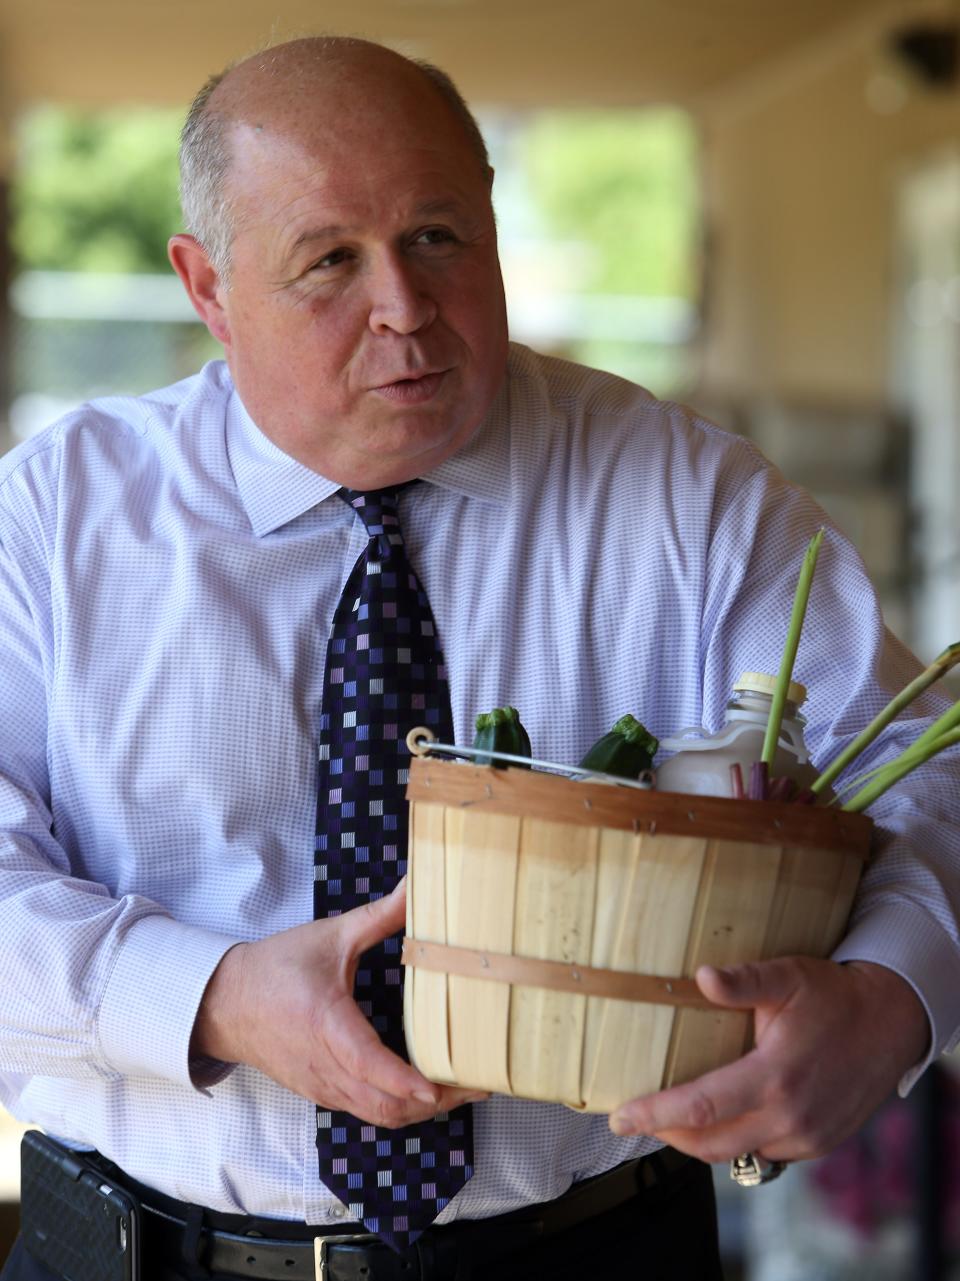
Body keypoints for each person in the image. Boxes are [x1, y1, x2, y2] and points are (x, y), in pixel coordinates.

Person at [0, 34, 958, 1281]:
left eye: (439, 238)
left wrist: (889, 1000)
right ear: (207, 287)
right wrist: (212, 995)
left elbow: (920, 776)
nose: (404, 306)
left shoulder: (691, 499)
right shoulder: (55, 516)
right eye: (330, 260)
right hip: (134, 1254)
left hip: (591, 1249)